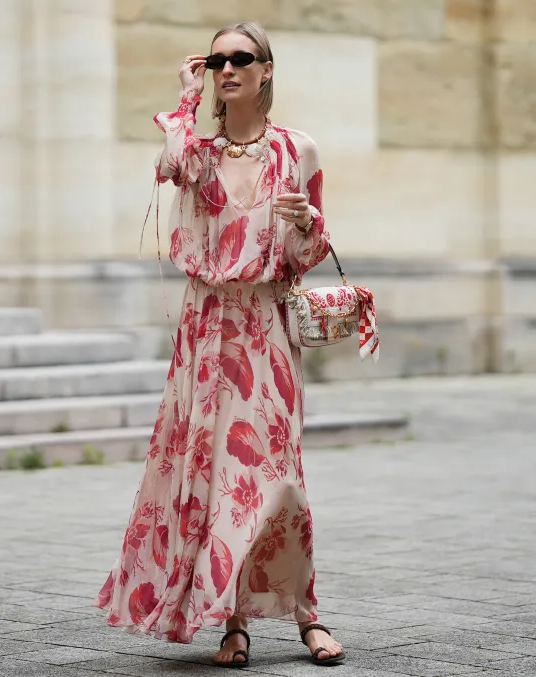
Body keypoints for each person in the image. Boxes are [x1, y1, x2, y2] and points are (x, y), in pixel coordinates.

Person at [93, 21, 345, 668]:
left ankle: (307, 612)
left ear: (266, 69)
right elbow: (170, 167)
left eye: (240, 58)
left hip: (266, 326)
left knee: (279, 478)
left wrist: (307, 224)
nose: (226, 69)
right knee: (215, 479)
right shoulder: (198, 151)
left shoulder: (298, 150)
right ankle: (233, 624)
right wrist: (184, 98)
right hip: (206, 327)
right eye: (216, 61)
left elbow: (308, 253)